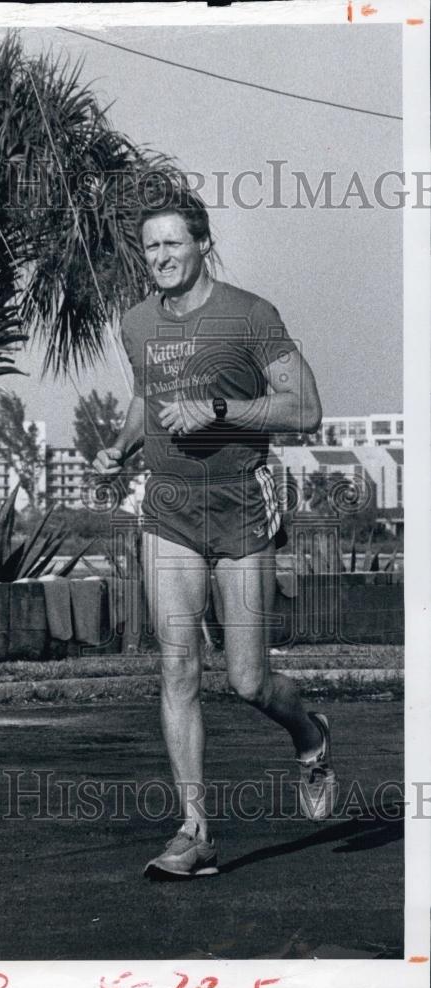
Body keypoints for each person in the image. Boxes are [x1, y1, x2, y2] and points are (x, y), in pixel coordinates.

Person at [93, 179, 338, 879]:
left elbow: (306, 408)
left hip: (239, 507)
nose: (162, 256)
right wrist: (120, 443)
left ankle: (311, 735)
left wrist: (221, 410)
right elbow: (147, 394)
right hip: (167, 508)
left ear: (204, 244)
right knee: (175, 666)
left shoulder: (251, 316)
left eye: (174, 242)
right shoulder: (136, 323)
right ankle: (194, 830)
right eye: (151, 247)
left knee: (249, 679)